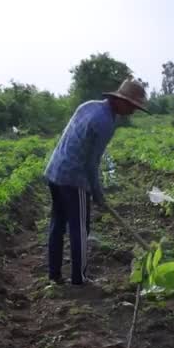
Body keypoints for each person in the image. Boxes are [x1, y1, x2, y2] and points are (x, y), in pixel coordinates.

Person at [44, 78, 147, 285]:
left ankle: (54, 275)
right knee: (80, 229)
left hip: (55, 171)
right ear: (120, 101)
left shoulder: (88, 106)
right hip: (74, 178)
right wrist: (97, 192)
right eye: (132, 106)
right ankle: (79, 279)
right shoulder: (105, 123)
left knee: (57, 224)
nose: (133, 111)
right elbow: (92, 163)